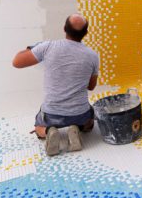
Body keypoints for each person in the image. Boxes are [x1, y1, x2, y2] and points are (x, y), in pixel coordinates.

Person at [12, 14, 99, 156]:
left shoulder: (47, 47)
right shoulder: (93, 55)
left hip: (52, 113)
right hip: (80, 113)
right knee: (90, 119)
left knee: (38, 125)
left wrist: (35, 48)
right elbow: (91, 86)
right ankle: (76, 128)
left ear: (64, 28)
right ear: (85, 33)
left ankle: (48, 131)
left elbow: (17, 62)